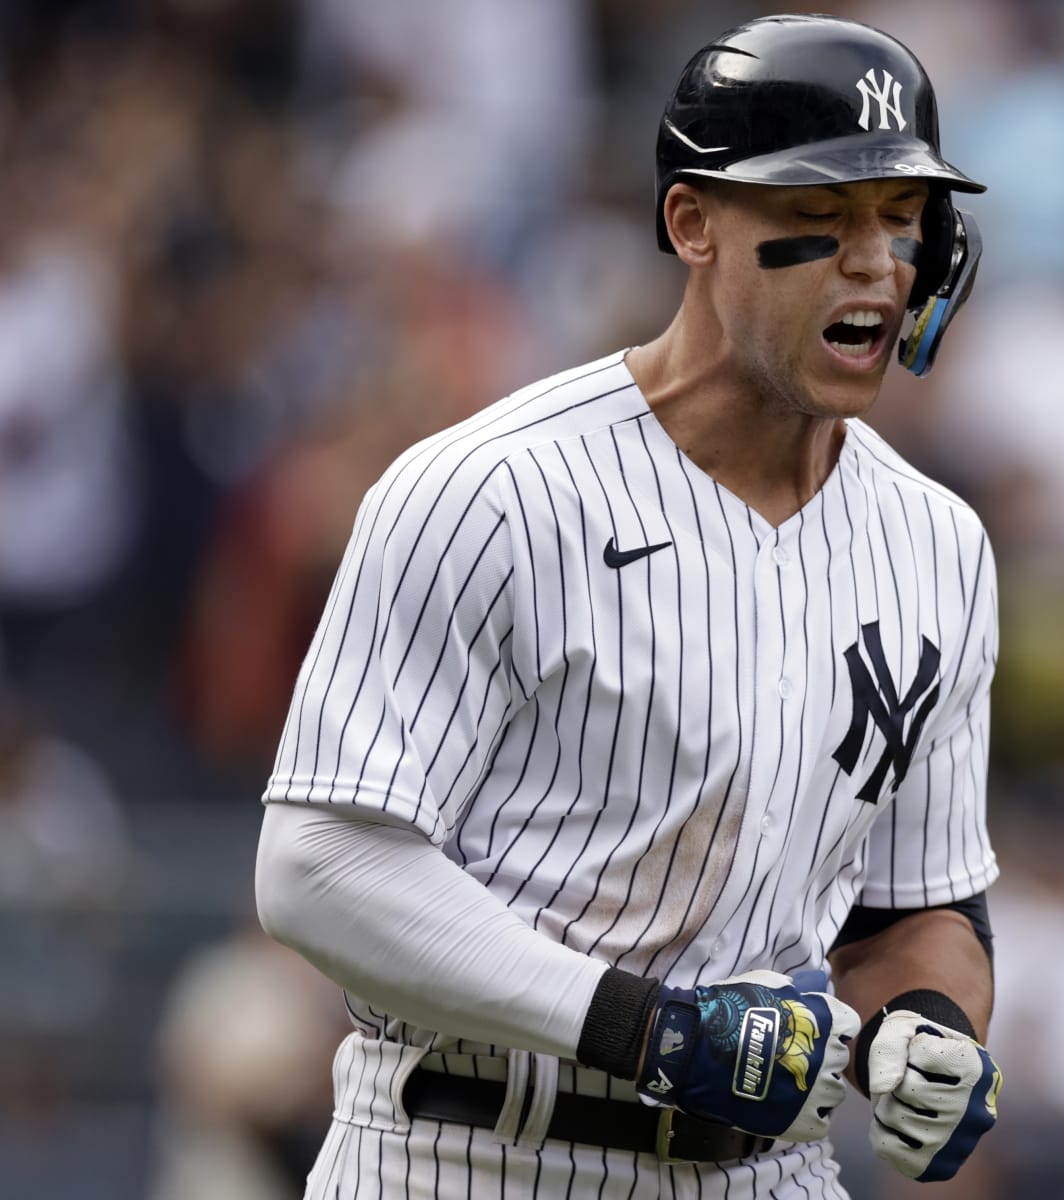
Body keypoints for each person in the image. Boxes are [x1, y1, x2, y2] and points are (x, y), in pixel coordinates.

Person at [254, 14, 1002, 1198]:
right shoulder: (493, 489)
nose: (873, 262)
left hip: (770, 1172)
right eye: (818, 219)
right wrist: (647, 1031)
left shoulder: (941, 546)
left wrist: (927, 1031)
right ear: (692, 224)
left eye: (901, 217)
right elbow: (321, 864)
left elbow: (921, 909)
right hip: (468, 1149)